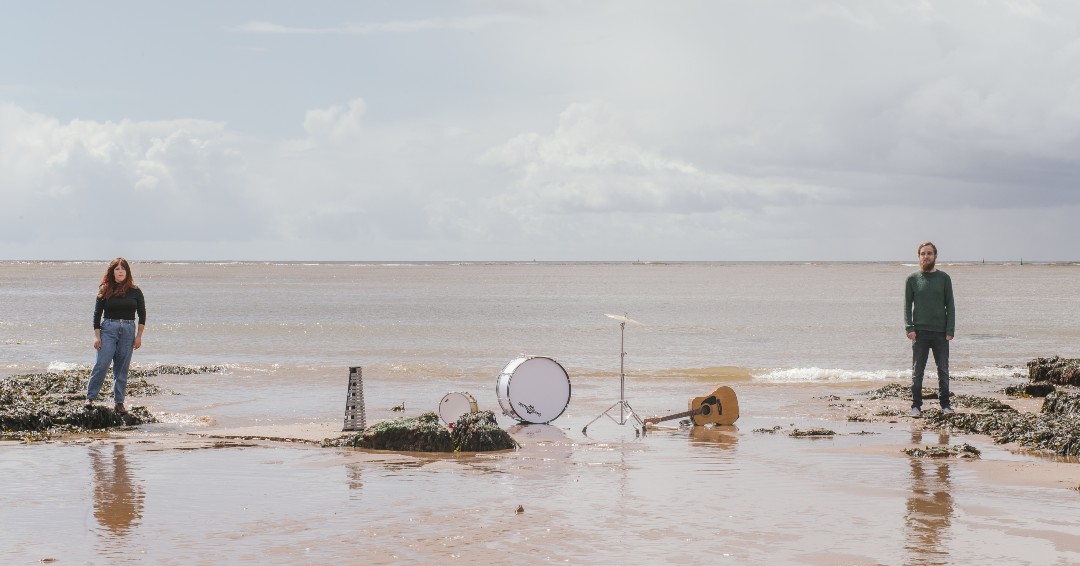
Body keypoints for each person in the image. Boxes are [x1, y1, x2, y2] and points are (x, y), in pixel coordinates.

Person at [87, 257, 146, 414]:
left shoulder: (135, 291)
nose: (121, 272)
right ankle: (90, 398)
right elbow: (96, 315)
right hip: (108, 329)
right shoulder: (105, 290)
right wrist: (97, 336)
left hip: (128, 330)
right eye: (117, 269)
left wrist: (139, 336)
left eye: (123, 269)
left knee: (121, 369)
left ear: (127, 271)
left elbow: (142, 315)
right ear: (112, 272)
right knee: (102, 364)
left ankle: (119, 403)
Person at [904, 242, 955, 417]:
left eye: (929, 253)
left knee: (943, 370)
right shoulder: (912, 279)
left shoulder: (944, 278)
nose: (926, 256)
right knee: (917, 371)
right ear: (919, 256)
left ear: (935, 256)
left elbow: (951, 306)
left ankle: (945, 405)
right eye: (923, 254)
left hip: (941, 333)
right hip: (920, 333)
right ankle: (916, 406)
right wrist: (909, 327)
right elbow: (907, 305)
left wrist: (950, 330)